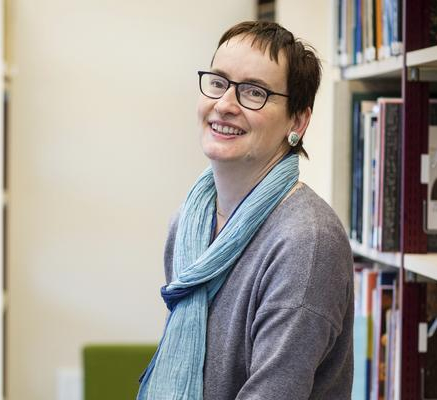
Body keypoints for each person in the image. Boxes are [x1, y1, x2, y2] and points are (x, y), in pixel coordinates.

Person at [137, 21, 353, 399]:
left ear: (298, 121)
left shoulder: (307, 243)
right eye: (218, 83)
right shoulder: (189, 224)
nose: (224, 105)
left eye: (254, 92)